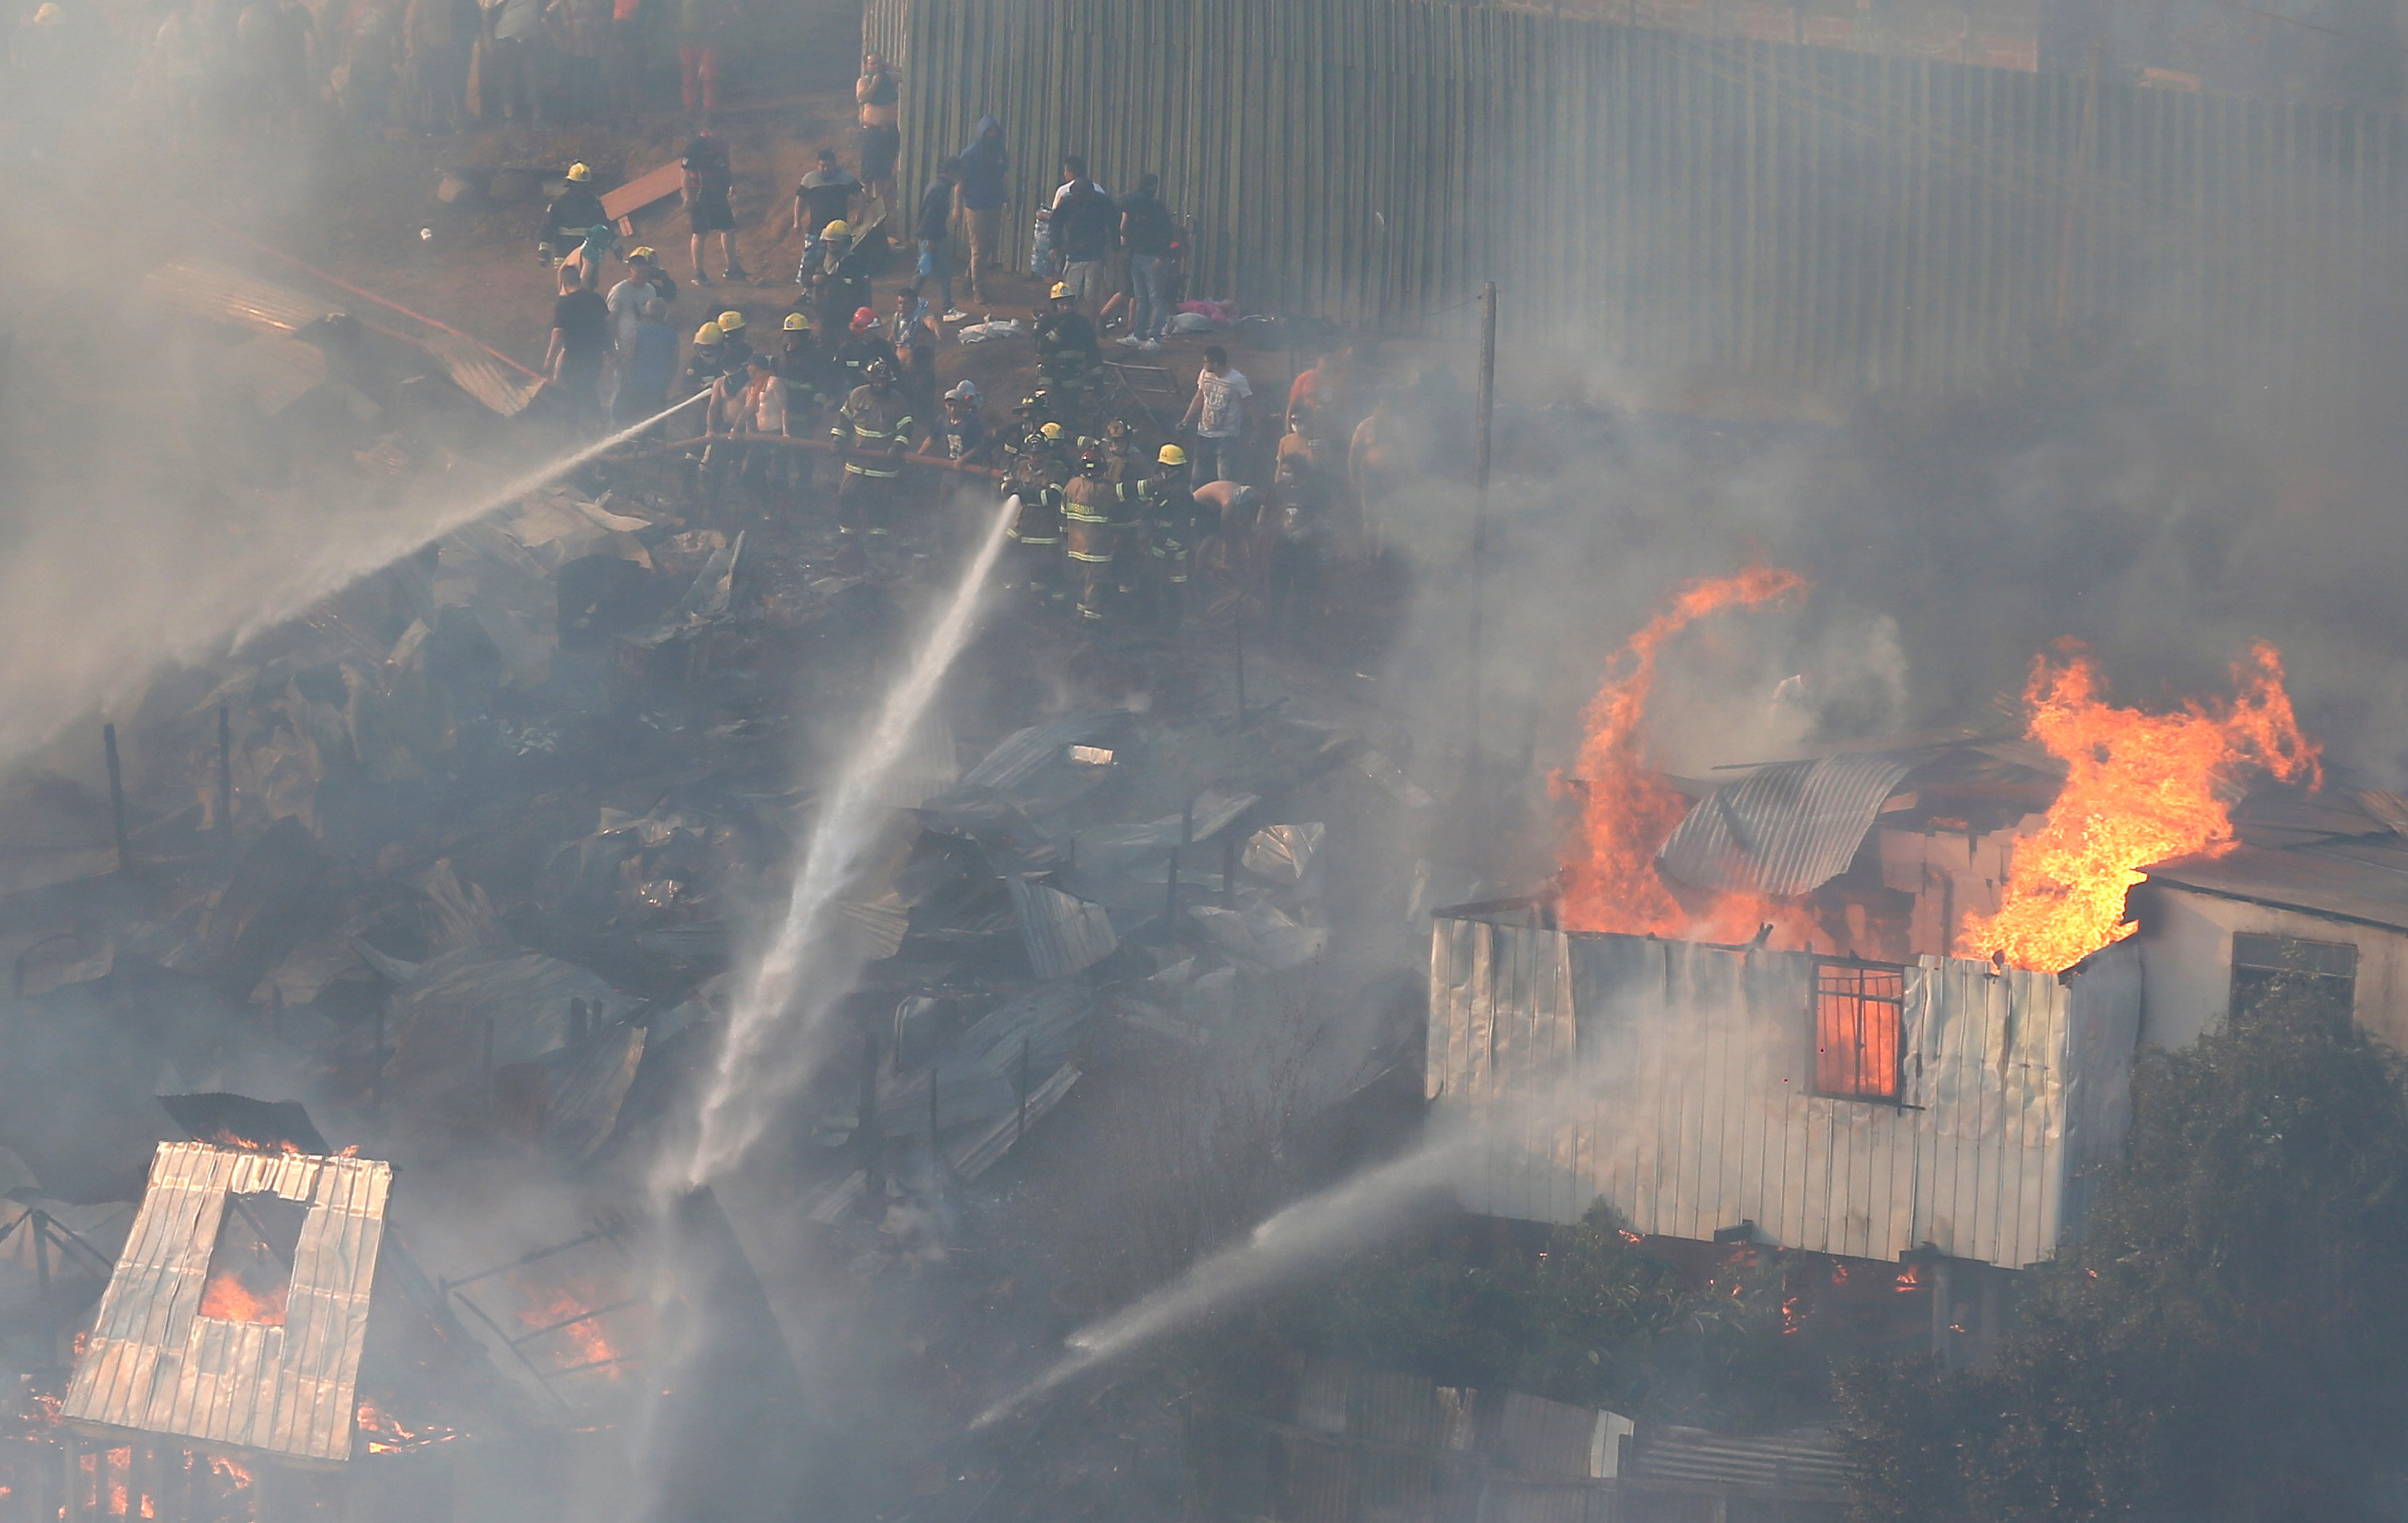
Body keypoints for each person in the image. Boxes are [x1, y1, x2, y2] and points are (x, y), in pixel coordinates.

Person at [833, 358, 912, 551]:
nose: (880, 385)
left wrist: (897, 446)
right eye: (877, 381)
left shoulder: (897, 401)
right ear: (869, 379)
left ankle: (878, 541)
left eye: (884, 382)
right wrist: (838, 439)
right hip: (856, 461)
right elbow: (844, 419)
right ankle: (847, 536)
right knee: (847, 497)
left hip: (883, 464)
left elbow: (906, 426)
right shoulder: (857, 395)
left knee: (879, 502)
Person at [1130, 442, 1199, 629]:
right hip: (1161, 540)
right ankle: (1155, 618)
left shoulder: (1180, 493)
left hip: (1172, 544)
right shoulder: (1168, 487)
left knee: (1171, 584)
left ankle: (1169, 623)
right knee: (1154, 579)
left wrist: (1172, 544)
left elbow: (1184, 523)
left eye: (1163, 468)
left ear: (1170, 468)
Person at [1060, 448, 1122, 625]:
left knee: (1080, 582)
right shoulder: (1106, 490)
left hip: (1075, 546)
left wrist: (1066, 537)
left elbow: (1063, 513)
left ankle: (1080, 614)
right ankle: (1091, 621)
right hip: (1098, 549)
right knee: (1094, 584)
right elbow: (1116, 516)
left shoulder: (1071, 485)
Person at [546, 266, 611, 429]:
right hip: (595, 355)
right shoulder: (596, 298)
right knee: (590, 388)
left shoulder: (564, 304)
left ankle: (572, 430)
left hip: (574, 356)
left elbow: (558, 334)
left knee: (572, 393)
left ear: (564, 283)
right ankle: (597, 424)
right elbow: (607, 325)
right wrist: (611, 350)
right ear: (580, 279)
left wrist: (549, 359)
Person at [1179, 345, 1253, 484]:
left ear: (1216, 363)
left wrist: (1255, 428)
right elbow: (1199, 397)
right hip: (1204, 434)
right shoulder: (1204, 374)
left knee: (1224, 478)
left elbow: (1249, 404)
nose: (1204, 364)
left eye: (1206, 362)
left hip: (1227, 437)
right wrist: (1186, 420)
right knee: (1197, 478)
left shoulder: (1237, 380)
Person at [680, 123, 744, 284]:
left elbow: (725, 168)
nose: (724, 132)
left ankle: (733, 268)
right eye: (721, 128)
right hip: (701, 195)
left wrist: (732, 185)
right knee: (700, 233)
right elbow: (685, 174)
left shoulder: (723, 145)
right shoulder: (696, 146)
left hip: (719, 194)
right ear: (710, 129)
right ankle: (699, 272)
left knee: (728, 229)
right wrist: (688, 197)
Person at [1117, 173, 1173, 351]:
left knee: (1155, 298)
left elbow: (1167, 234)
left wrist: (1162, 257)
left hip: (1152, 258)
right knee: (1142, 298)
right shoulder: (1144, 205)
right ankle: (1139, 335)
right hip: (1138, 256)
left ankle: (1155, 338)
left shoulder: (1155, 208)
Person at [1051, 158, 1117, 309]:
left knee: (1076, 292)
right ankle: (1091, 321)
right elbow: (1113, 224)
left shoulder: (1068, 198)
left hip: (1082, 253)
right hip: (1088, 253)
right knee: (1086, 292)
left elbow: (1055, 223)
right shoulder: (1099, 198)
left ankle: (1085, 321)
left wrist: (1054, 246)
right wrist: (1114, 247)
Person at [956, 115, 1008, 303]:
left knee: (989, 247)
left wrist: (1006, 202)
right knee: (978, 249)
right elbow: (961, 182)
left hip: (994, 204)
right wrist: (958, 208)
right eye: (988, 132)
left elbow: (1003, 179)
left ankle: (968, 278)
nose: (992, 135)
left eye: (995, 132)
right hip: (976, 206)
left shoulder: (1000, 152)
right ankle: (979, 289)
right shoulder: (970, 154)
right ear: (982, 133)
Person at [791, 148, 859, 279]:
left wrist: (860, 215)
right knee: (810, 259)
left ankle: (839, 283)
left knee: (840, 260)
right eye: (822, 166)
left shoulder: (845, 178)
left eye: (828, 166)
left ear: (835, 164)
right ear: (818, 165)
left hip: (838, 231)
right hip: (816, 228)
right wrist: (797, 221)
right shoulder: (810, 179)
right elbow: (800, 200)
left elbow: (859, 194)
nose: (825, 169)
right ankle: (807, 287)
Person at [912, 157, 965, 322]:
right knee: (933, 273)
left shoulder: (938, 186)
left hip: (931, 237)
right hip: (932, 238)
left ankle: (910, 303)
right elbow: (931, 216)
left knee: (926, 272)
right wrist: (929, 240)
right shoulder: (940, 190)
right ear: (951, 172)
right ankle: (947, 309)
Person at [614, 296, 676, 427]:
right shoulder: (672, 336)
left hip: (636, 387)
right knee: (655, 425)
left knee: (631, 423)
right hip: (659, 389)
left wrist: (627, 378)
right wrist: (666, 382)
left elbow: (629, 360)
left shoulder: (639, 333)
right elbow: (674, 363)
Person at [400, 0, 461, 131]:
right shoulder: (419, 4)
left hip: (443, 49)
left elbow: (450, 24)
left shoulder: (447, 3)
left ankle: (440, 122)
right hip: (423, 52)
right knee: (420, 89)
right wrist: (413, 49)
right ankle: (415, 124)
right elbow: (411, 26)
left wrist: (452, 46)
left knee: (440, 88)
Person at [604, 251, 658, 394]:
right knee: (622, 384)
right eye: (639, 272)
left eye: (645, 272)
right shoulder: (619, 291)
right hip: (624, 346)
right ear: (629, 270)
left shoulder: (651, 290)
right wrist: (612, 349)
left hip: (646, 346)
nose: (642, 276)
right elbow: (611, 321)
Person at [480, 0, 541, 126]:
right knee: (507, 79)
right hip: (506, 40)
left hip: (529, 39)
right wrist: (489, 41)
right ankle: (509, 117)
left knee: (533, 78)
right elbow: (489, 14)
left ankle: (537, 116)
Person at [809, 222, 876, 335]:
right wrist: (812, 279)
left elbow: (858, 288)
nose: (830, 245)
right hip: (825, 315)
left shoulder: (853, 262)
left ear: (845, 242)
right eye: (828, 242)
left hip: (847, 316)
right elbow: (805, 277)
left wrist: (826, 280)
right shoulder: (821, 261)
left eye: (834, 242)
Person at [1032, 282, 1097, 395]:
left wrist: (1098, 380)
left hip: (1074, 371)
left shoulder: (1082, 323)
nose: (1066, 308)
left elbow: (1093, 350)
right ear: (1055, 306)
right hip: (1050, 372)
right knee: (1046, 400)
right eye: (1062, 305)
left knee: (1071, 403)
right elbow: (1041, 348)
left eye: (1069, 304)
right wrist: (1059, 331)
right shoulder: (1046, 322)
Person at [855, 52, 900, 210]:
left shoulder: (891, 79)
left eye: (879, 63)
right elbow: (862, 99)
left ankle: (880, 203)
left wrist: (892, 67)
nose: (876, 66)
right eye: (872, 64)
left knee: (884, 169)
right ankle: (866, 202)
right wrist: (875, 83)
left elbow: (906, 75)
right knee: (868, 169)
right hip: (872, 132)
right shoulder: (864, 82)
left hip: (889, 133)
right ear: (866, 66)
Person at [539, 162, 604, 265]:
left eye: (585, 186)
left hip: (589, 258)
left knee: (589, 281)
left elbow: (604, 226)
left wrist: (616, 247)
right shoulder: (559, 204)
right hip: (565, 257)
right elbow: (548, 228)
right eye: (580, 186)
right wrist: (544, 251)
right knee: (569, 280)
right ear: (571, 185)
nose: (583, 190)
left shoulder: (594, 204)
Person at [673, 0, 721, 115]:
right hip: (687, 38)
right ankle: (690, 107)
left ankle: (709, 108)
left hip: (708, 38)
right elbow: (674, 12)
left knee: (709, 76)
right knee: (688, 74)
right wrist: (678, 28)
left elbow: (719, 10)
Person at [834, 305, 895, 389]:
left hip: (881, 394)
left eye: (874, 330)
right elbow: (836, 376)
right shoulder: (846, 350)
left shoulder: (884, 348)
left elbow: (895, 373)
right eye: (869, 331)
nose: (872, 334)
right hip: (853, 395)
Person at [938, 380, 991, 465]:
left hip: (974, 462)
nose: (967, 401)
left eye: (969, 398)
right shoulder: (944, 419)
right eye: (965, 398)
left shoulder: (976, 419)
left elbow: (980, 445)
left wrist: (963, 459)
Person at [684, 318, 728, 389]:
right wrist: (700, 387)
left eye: (709, 347)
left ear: (719, 347)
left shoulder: (727, 360)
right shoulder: (695, 363)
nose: (705, 351)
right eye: (701, 347)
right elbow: (686, 385)